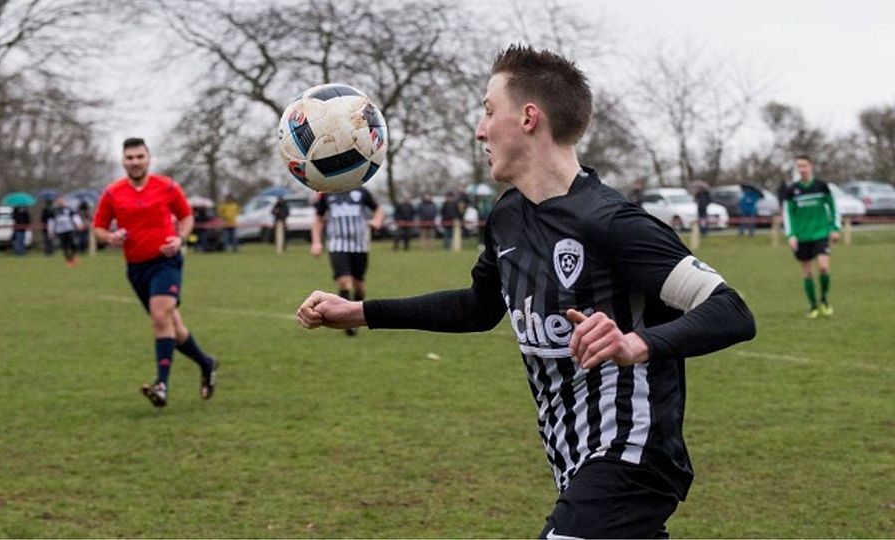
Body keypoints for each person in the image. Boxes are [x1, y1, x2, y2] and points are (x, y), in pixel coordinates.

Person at [297, 45, 756, 538]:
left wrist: (635, 344)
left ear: (529, 117)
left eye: (489, 111)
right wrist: (360, 311)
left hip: (632, 454)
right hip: (572, 459)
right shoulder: (508, 217)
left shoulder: (613, 222)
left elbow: (732, 310)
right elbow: (477, 307)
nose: (479, 129)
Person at [92, 137, 219, 407]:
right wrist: (110, 237)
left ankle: (161, 385)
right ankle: (206, 364)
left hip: (166, 261)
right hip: (136, 268)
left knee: (160, 316)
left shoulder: (167, 187)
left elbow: (186, 217)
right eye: (130, 158)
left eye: (140, 156)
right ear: (123, 161)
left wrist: (180, 239)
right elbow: (98, 228)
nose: (135, 162)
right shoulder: (113, 193)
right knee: (173, 326)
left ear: (149, 158)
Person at [310, 186, 383, 337]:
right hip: (337, 245)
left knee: (359, 287)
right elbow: (318, 219)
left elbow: (378, 209)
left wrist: (376, 220)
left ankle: (356, 316)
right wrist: (316, 242)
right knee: (344, 282)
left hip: (360, 246)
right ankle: (345, 318)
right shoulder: (327, 193)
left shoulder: (361, 191)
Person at [783, 155, 840, 318]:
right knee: (808, 273)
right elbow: (788, 214)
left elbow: (833, 207)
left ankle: (824, 300)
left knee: (823, 267)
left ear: (811, 166)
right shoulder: (792, 190)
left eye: (804, 166)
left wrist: (835, 228)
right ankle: (813, 306)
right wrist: (791, 235)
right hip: (802, 237)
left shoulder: (822, 186)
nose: (802, 169)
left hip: (821, 233)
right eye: (799, 166)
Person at [48, 197, 83, 266]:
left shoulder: (69, 209)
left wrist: (79, 224)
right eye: (59, 201)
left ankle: (74, 255)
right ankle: (69, 260)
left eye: (62, 201)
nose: (60, 202)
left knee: (73, 243)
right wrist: (51, 231)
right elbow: (51, 222)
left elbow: (75, 217)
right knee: (64, 246)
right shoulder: (54, 211)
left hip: (70, 229)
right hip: (60, 231)